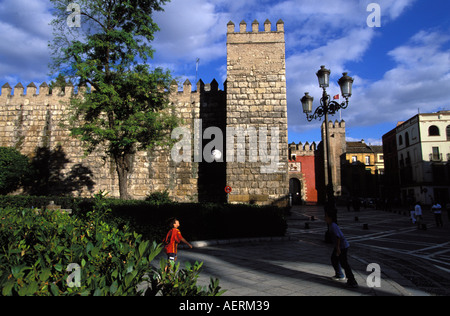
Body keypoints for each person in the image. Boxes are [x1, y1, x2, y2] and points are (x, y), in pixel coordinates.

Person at [324, 210, 358, 288]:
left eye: (326, 216)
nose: (325, 218)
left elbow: (338, 237)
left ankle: (352, 281)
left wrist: (338, 249)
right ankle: (339, 274)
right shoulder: (331, 225)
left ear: (330, 218)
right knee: (334, 259)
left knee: (344, 263)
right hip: (340, 246)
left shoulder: (333, 226)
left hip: (342, 246)